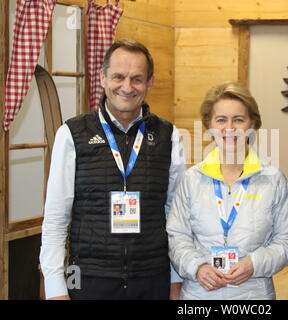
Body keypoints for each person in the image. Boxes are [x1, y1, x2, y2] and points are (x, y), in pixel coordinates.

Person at [40, 39, 185, 300]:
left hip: (153, 277)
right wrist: (55, 289)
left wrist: (176, 282)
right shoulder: (72, 134)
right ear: (103, 78)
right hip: (88, 278)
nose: (127, 87)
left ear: (149, 83)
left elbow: (178, 218)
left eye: (137, 79)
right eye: (118, 76)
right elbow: (55, 219)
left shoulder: (169, 136)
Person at [167, 81, 288, 300]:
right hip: (200, 296)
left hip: (254, 296)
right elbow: (177, 237)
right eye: (221, 120)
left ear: (252, 124)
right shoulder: (191, 181)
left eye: (238, 120)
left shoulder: (273, 181)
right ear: (209, 125)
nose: (229, 128)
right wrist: (198, 267)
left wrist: (254, 264)